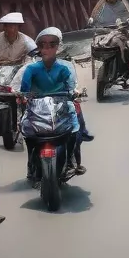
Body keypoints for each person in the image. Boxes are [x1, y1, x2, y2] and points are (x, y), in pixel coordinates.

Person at [20, 27, 90, 178]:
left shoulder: (65, 67)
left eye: (52, 44)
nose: (48, 48)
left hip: (61, 107)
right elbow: (23, 90)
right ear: (38, 48)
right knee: (26, 128)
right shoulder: (30, 69)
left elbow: (72, 86)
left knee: (74, 128)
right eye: (43, 44)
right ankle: (31, 163)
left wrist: (75, 92)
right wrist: (21, 96)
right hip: (37, 108)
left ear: (58, 47)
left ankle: (72, 162)